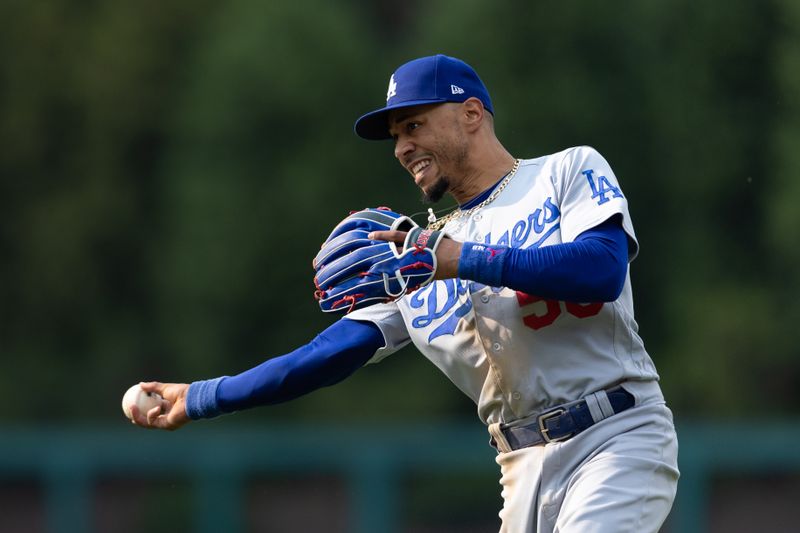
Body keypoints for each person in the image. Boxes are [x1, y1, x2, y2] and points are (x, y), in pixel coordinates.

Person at [131, 54, 679, 532]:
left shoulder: (564, 172)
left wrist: (459, 259)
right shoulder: (415, 257)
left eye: (413, 124)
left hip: (615, 434)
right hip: (521, 466)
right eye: (395, 135)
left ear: (471, 114)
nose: (402, 146)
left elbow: (601, 269)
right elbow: (329, 354)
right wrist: (202, 396)